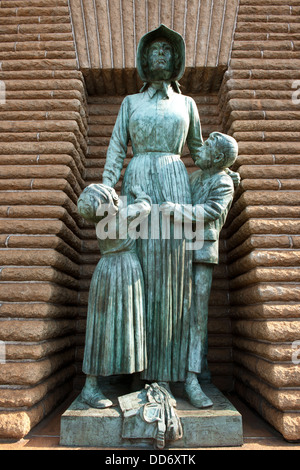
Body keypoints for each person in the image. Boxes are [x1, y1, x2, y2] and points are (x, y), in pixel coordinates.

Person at [102, 25, 204, 392]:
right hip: (140, 182)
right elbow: (116, 149)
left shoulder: (187, 104)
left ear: (175, 59)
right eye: (154, 50)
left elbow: (200, 151)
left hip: (176, 184)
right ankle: (135, 372)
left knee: (175, 279)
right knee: (139, 275)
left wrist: (224, 168)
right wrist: (106, 188)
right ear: (144, 59)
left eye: (167, 50)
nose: (160, 54)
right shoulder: (131, 102)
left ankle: (173, 375)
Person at [161, 132, 239, 407]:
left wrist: (176, 210)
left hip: (202, 253)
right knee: (174, 313)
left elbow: (211, 210)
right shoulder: (194, 177)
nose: (199, 148)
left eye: (206, 146)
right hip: (178, 252)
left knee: (196, 318)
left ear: (217, 156)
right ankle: (166, 375)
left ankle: (192, 379)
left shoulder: (223, 182)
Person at [77, 183, 151, 408]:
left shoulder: (100, 222)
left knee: (107, 328)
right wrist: (140, 192)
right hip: (126, 269)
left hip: (105, 270)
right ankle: (93, 387)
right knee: (126, 325)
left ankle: (132, 378)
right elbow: (146, 206)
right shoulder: (125, 215)